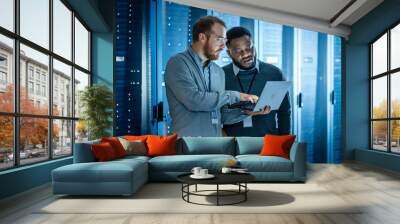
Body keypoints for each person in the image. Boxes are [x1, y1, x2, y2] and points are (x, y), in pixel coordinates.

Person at [165, 16, 268, 137]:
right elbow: (194, 101)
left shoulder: (218, 72)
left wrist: (248, 112)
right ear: (202, 37)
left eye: (224, 40)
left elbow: (220, 115)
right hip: (186, 146)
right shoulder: (178, 63)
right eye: (219, 39)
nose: (223, 46)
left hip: (215, 146)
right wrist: (237, 96)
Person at [223, 26, 291, 136]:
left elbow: (284, 112)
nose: (245, 54)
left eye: (249, 48)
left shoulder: (274, 73)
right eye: (238, 51)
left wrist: (284, 144)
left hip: (267, 143)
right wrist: (244, 113)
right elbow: (215, 115)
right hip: (232, 144)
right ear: (229, 53)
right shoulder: (221, 75)